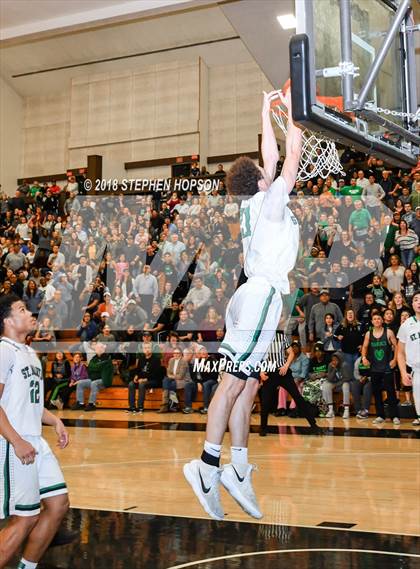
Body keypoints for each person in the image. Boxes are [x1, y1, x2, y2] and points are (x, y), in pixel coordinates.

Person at [183, 85, 303, 521]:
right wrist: (293, 115)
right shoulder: (271, 201)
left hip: (251, 296)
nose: (269, 169)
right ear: (261, 181)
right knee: (233, 384)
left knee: (248, 385)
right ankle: (207, 465)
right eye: (263, 170)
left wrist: (262, 109)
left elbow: (269, 159)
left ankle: (236, 467)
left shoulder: (256, 201)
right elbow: (289, 155)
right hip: (260, 297)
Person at [0, 294, 70, 568]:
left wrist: (55, 421)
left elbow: (30, 403)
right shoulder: (3, 350)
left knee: (58, 504)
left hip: (35, 441)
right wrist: (16, 441)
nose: (30, 313)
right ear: (7, 320)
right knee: (26, 517)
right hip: (13, 443)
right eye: (21, 309)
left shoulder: (28, 352)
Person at [361, 313, 400, 425]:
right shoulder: (369, 334)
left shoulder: (388, 332)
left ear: (382, 321)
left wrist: (395, 359)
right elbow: (364, 346)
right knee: (377, 392)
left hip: (387, 367)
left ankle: (395, 416)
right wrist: (364, 357)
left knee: (391, 392)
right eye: (375, 319)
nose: (377, 320)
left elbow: (396, 346)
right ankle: (380, 415)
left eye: (379, 319)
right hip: (374, 368)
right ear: (372, 322)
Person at [397, 290, 420, 426]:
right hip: (416, 370)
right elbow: (400, 352)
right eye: (416, 299)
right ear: (412, 304)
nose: (419, 302)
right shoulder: (406, 325)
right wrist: (403, 372)